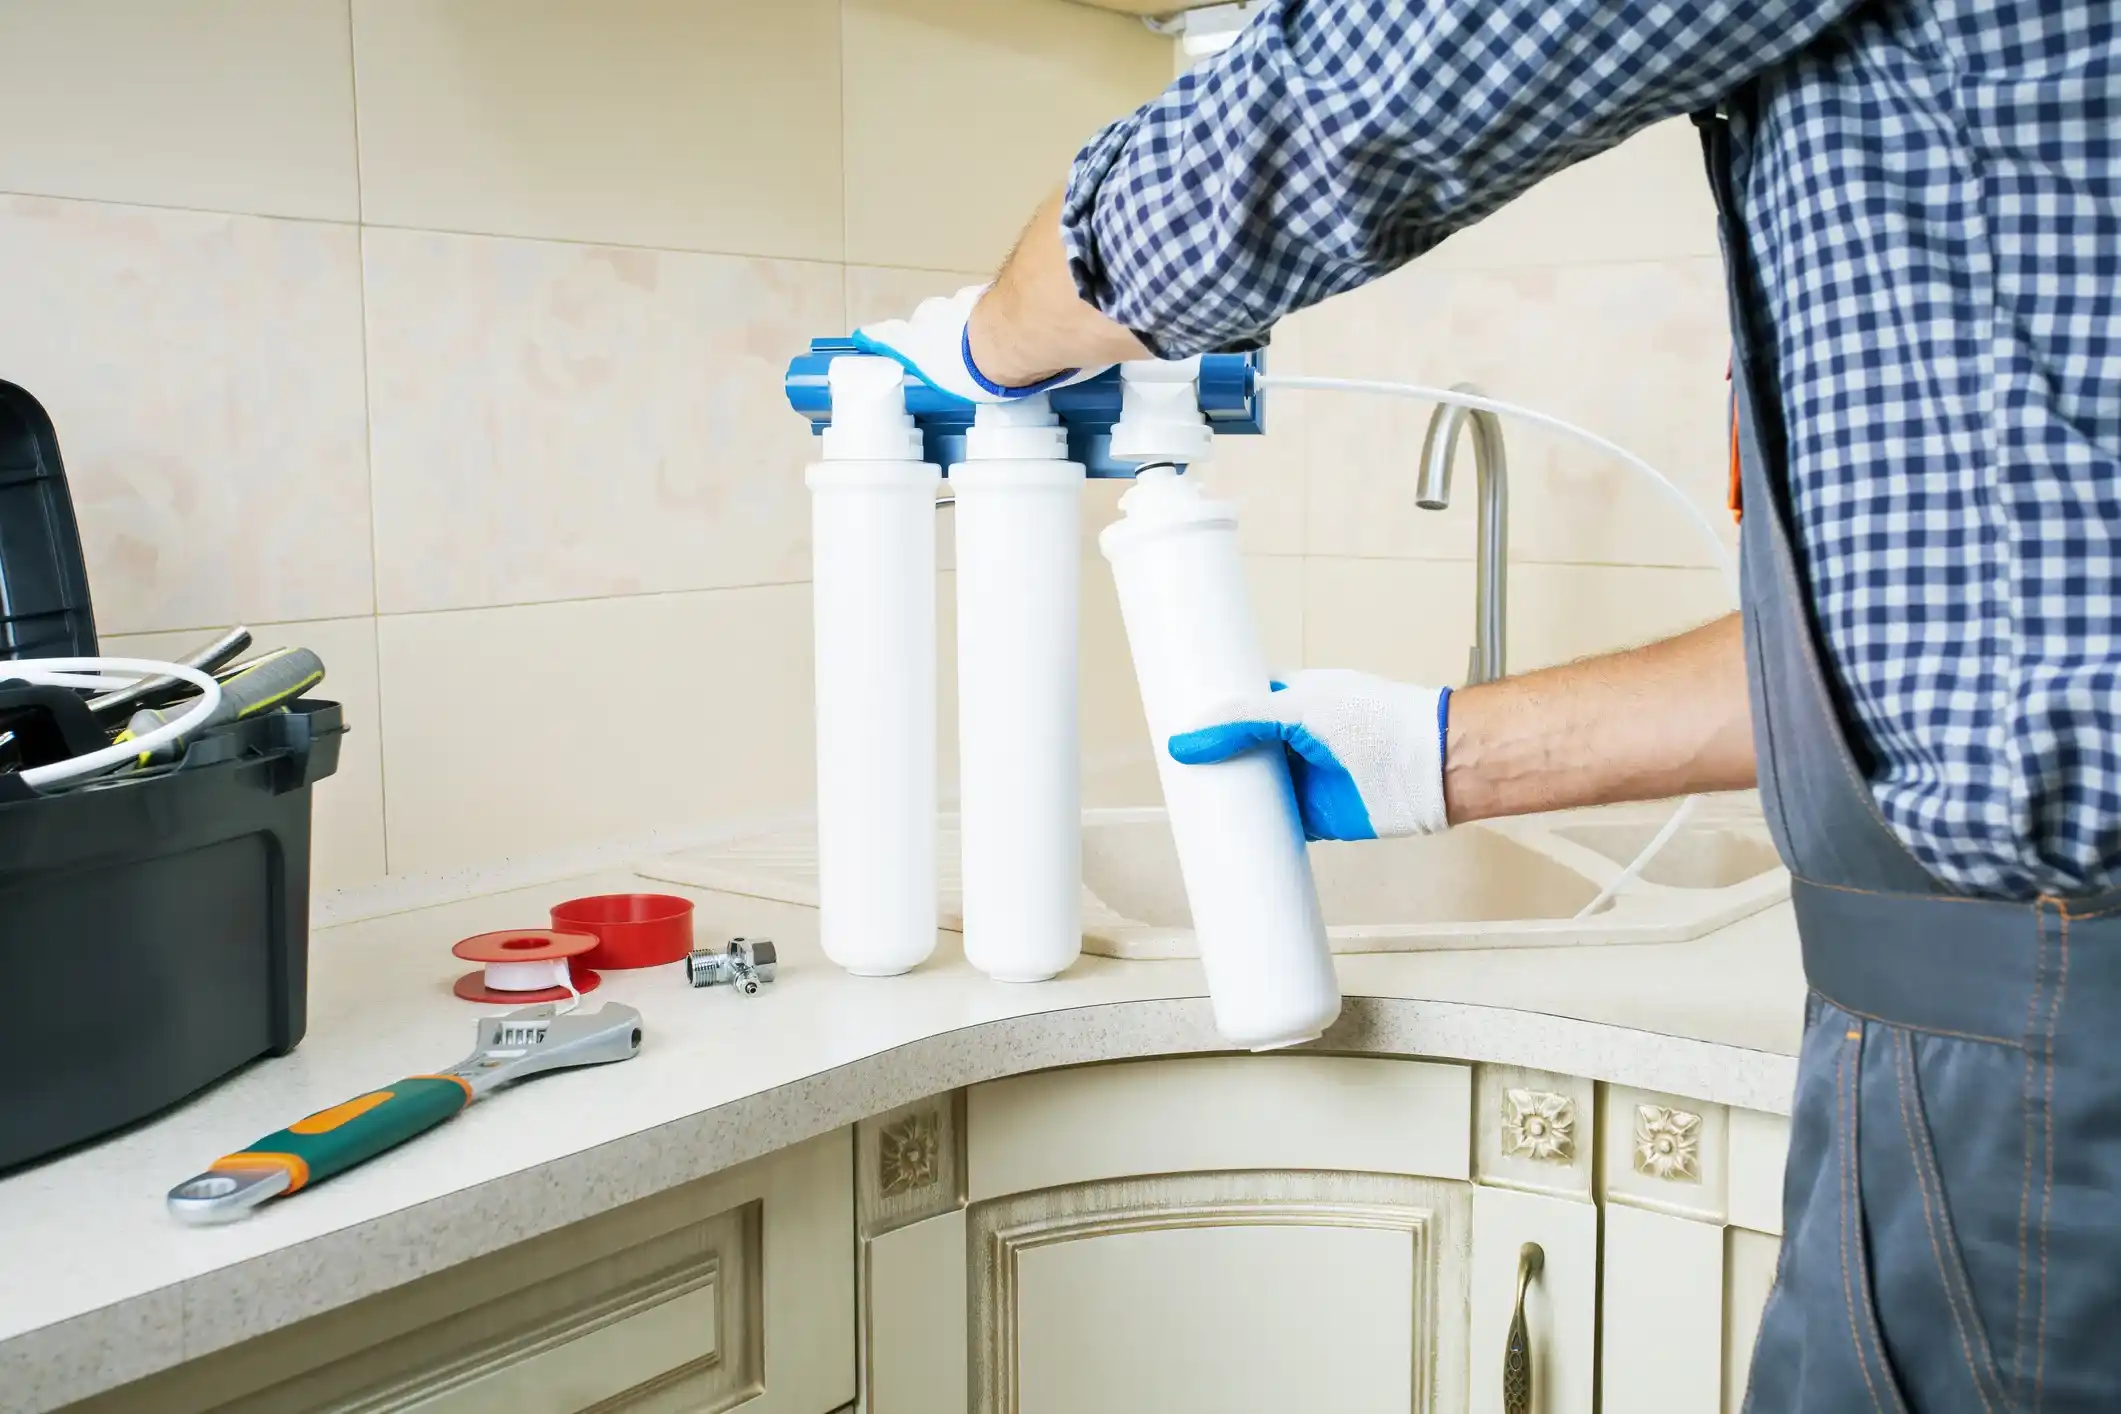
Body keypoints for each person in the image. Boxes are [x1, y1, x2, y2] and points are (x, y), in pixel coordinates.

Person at [858, 1, 2120, 1408]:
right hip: (2012, 1034)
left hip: (2039, 1061)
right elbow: (1977, 639)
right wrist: (1436, 755)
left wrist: (991, 341)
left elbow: (1360, 100)